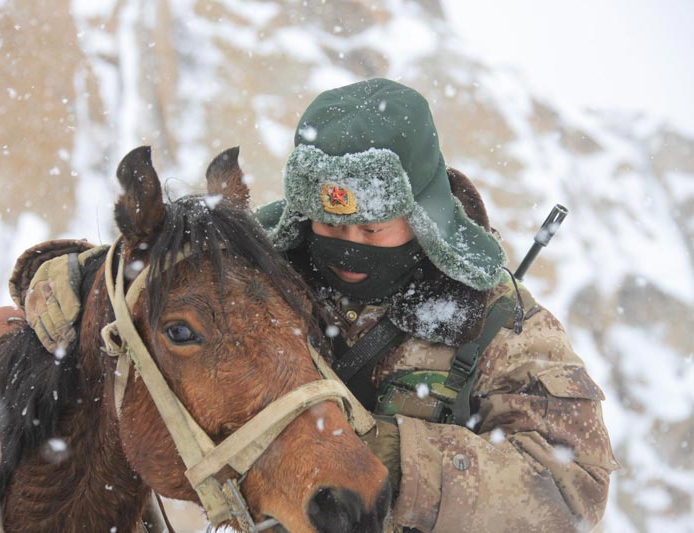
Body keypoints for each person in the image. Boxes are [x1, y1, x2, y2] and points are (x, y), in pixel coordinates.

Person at [255, 78, 618, 531]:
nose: (349, 248)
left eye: (371, 231)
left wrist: (399, 460)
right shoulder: (256, 287)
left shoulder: (500, 324)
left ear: (423, 216)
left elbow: (574, 491)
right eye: (328, 225)